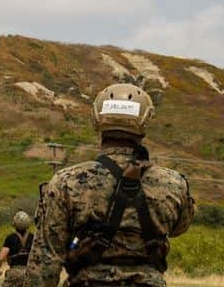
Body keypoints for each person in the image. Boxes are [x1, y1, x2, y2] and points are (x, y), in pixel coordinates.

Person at [24, 84, 194, 287]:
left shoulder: (65, 182)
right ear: (145, 121)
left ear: (97, 119)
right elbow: (179, 228)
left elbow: (45, 263)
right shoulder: (173, 184)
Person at [0, 210, 34, 286]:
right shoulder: (33, 237)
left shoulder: (10, 238)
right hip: (31, 273)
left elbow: (0, 258)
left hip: (15, 273)